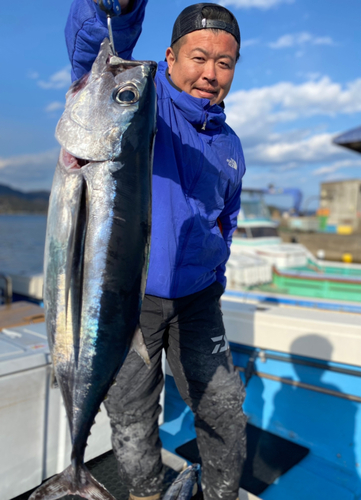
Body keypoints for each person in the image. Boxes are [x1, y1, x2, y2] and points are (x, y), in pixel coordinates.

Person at [65, 1, 247, 499]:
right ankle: (144, 494)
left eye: (224, 62)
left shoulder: (231, 144)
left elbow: (226, 220)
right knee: (132, 421)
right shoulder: (144, 104)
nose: (211, 74)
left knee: (225, 412)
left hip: (197, 303)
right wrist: (118, 8)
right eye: (199, 57)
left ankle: (221, 495)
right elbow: (97, 54)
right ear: (169, 58)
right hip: (130, 302)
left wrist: (214, 275)